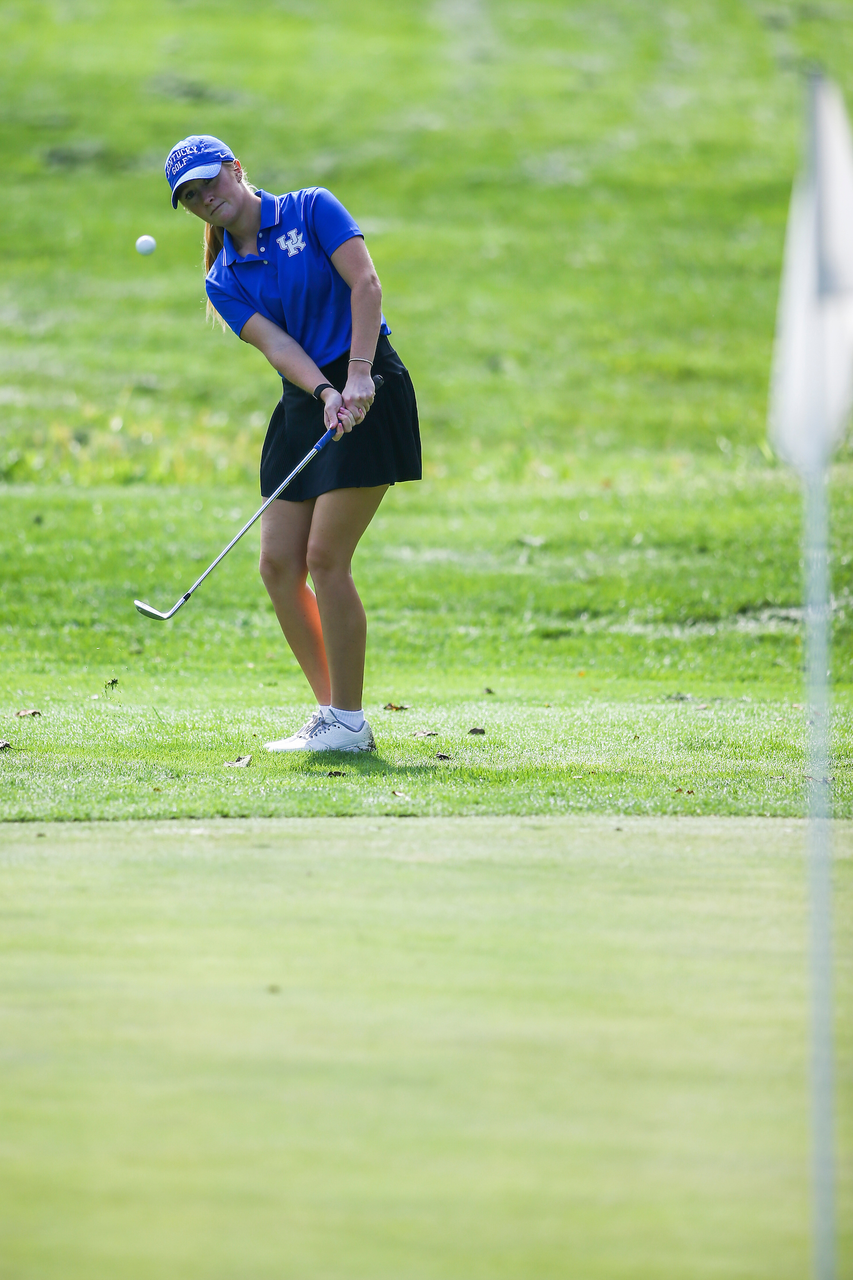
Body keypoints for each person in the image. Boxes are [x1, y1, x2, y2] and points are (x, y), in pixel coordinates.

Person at [164, 135, 421, 752]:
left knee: (324, 558)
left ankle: (349, 722)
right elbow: (278, 347)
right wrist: (324, 394)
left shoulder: (311, 208)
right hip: (307, 396)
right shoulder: (222, 278)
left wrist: (355, 377)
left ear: (236, 169)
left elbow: (366, 285)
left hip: (369, 378)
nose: (207, 200)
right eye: (192, 198)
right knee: (279, 563)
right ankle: (334, 714)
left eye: (210, 183)